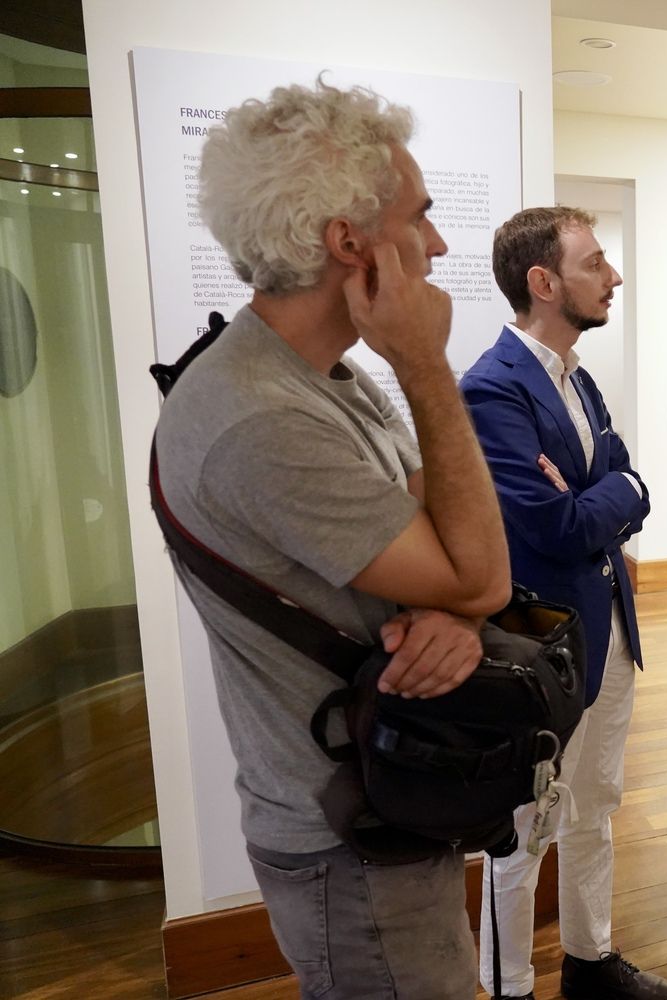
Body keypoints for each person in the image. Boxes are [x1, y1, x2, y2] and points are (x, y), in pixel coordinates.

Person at [155, 80, 513, 999]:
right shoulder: (261, 418)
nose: (437, 245)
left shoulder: (325, 376)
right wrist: (426, 364)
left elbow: (459, 550)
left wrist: (458, 610)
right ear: (351, 243)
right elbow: (481, 572)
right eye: (420, 216)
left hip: (389, 788)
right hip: (346, 832)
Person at [461, 207, 667, 1000]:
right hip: (541, 647)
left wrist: (605, 493)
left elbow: (631, 484)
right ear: (543, 282)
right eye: (595, 264)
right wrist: (610, 495)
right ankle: (510, 987)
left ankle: (590, 961)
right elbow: (554, 526)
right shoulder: (491, 388)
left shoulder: (577, 377)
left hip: (609, 628)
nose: (612, 277)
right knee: (526, 827)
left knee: (596, 806)